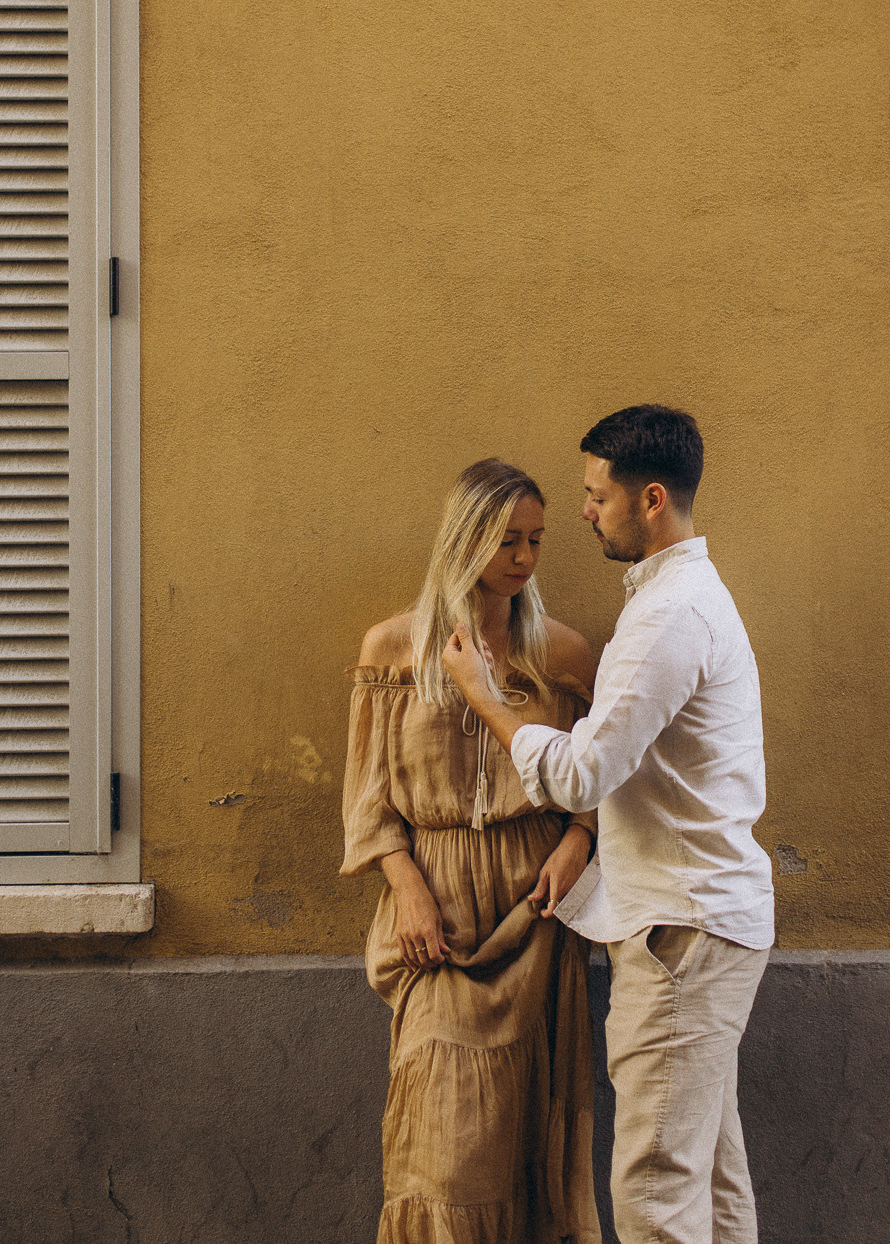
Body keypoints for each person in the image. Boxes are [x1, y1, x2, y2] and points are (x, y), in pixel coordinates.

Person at [443, 407, 775, 1244]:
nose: (585, 512)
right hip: (701, 924)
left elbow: (582, 771)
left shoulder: (668, 617)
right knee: (710, 1179)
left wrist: (485, 696)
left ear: (651, 499)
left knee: (657, 1190)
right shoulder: (683, 600)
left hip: (680, 937)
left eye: (597, 496)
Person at [340, 458, 603, 1244]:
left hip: (535, 908)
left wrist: (581, 841)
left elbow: (603, 778)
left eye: (535, 540)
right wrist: (407, 889)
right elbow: (368, 796)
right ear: (464, 539)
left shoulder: (561, 654)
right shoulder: (394, 650)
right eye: (505, 540)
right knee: (443, 1150)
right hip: (440, 917)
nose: (523, 558)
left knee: (530, 1140)